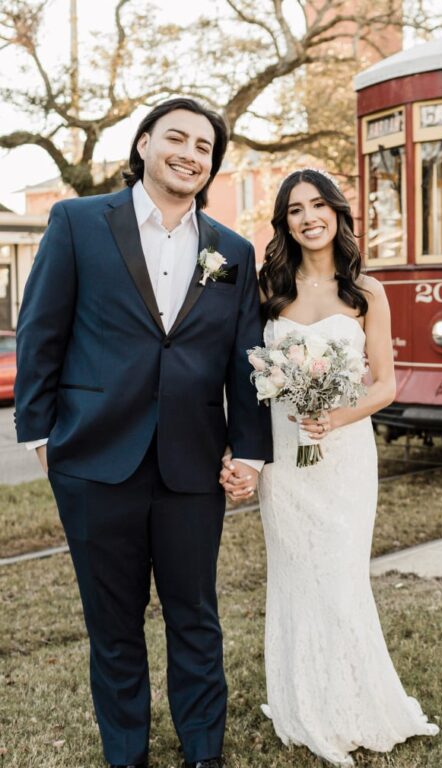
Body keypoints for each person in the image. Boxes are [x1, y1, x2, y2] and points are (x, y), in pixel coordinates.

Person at [14, 98, 272, 767]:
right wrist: (41, 437)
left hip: (192, 468)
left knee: (195, 618)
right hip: (94, 462)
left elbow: (246, 363)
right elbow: (43, 332)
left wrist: (249, 452)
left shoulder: (233, 252)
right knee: (114, 626)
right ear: (145, 144)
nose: (190, 154)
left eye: (204, 148)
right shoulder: (76, 223)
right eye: (177, 139)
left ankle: (202, 754)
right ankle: (125, 755)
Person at [219, 168, 439, 765]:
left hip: (342, 456)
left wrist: (336, 419)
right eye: (294, 209)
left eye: (317, 204)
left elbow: (386, 384)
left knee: (340, 575)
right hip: (286, 458)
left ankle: (354, 704)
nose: (307, 216)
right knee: (294, 576)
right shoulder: (269, 288)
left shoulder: (366, 291)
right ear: (284, 223)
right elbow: (245, 373)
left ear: (337, 213)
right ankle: (300, 704)